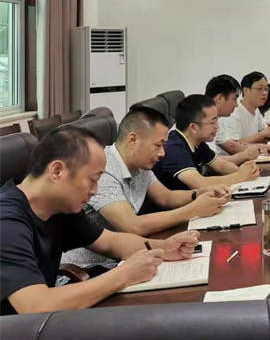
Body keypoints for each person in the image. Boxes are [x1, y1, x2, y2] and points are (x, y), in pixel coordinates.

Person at [0, 127, 199, 315]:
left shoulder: (59, 206)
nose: (95, 191)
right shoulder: (7, 222)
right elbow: (37, 306)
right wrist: (123, 275)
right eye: (92, 180)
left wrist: (165, 248)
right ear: (57, 171)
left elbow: (109, 241)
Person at [60, 107, 230, 271]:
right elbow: (132, 226)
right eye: (158, 145)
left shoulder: (140, 164)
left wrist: (197, 194)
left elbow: (166, 197)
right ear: (133, 140)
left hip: (125, 255)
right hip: (89, 268)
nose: (162, 153)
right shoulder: (104, 169)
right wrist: (194, 209)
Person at [153, 94, 260, 191]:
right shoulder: (174, 148)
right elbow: (200, 183)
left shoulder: (197, 142)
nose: (217, 127)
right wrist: (240, 176)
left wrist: (245, 171)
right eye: (213, 122)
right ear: (193, 127)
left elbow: (221, 165)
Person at [206, 75, 270, 163]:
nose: (236, 105)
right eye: (234, 99)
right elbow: (212, 162)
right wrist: (244, 156)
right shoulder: (204, 122)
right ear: (219, 98)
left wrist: (259, 147)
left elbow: (232, 145)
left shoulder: (215, 121)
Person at [218, 72, 270, 144]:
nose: (264, 93)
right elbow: (235, 145)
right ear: (246, 90)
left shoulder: (256, 109)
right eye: (260, 89)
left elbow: (265, 131)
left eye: (266, 89)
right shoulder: (233, 112)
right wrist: (263, 134)